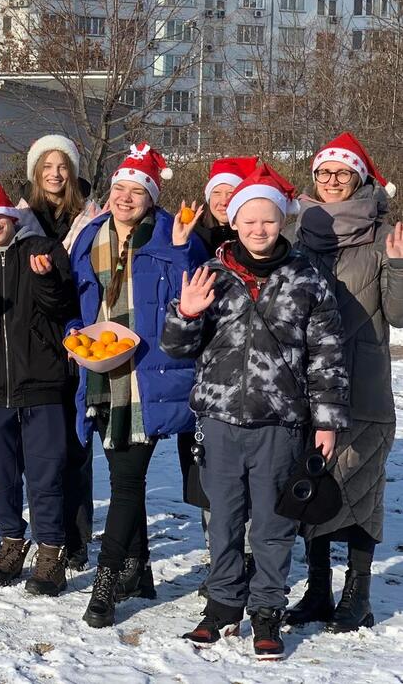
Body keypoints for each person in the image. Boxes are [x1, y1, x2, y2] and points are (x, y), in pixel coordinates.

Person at [163, 163, 349, 659]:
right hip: (221, 421)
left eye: (268, 220)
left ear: (282, 221)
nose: (259, 230)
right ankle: (222, 604)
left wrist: (327, 421)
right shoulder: (211, 275)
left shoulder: (308, 278)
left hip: (281, 424)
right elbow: (177, 348)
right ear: (236, 223)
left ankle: (266, 611)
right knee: (223, 520)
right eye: (249, 221)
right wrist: (185, 314)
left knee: (272, 526)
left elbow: (327, 354)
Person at [66, 143, 206, 628]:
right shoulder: (90, 237)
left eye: (137, 190)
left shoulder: (174, 234)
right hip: (103, 371)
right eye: (119, 188)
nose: (126, 198)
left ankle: (105, 588)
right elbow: (76, 300)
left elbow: (194, 297)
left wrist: (181, 246)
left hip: (148, 376)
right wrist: (73, 332)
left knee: (127, 482)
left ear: (151, 197)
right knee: (123, 476)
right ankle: (138, 571)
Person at [287, 132, 403, 633]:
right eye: (323, 172)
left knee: (364, 490)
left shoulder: (382, 237)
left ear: (359, 177)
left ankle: (358, 595)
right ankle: (318, 590)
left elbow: (399, 315)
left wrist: (399, 266)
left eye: (341, 172)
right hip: (308, 385)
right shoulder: (296, 231)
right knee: (314, 484)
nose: (331, 181)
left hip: (365, 383)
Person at [0, 182, 79, 594]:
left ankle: (51, 550)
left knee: (46, 472)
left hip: (41, 381)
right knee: (3, 474)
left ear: (11, 216)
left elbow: (62, 308)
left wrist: (45, 280)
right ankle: (11, 542)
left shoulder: (43, 249)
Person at [15, 133, 99, 569]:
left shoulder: (91, 217)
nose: (55, 173)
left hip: (83, 342)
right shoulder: (21, 219)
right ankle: (48, 532)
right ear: (35, 173)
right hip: (38, 346)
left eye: (62, 165)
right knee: (45, 450)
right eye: (47, 166)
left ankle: (77, 536)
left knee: (78, 445)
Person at [177, 156, 259, 584]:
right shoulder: (193, 239)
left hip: (249, 374)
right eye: (218, 194)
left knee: (249, 472)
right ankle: (219, 555)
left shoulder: (259, 238)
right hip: (200, 375)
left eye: (233, 194)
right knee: (207, 469)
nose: (225, 201)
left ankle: (245, 555)